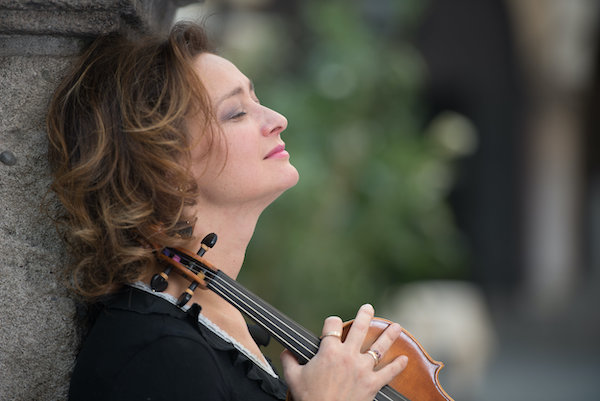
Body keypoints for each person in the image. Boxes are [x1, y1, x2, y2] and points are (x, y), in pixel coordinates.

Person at [46, 22, 408, 401]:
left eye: (256, 99)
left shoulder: (218, 326)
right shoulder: (158, 356)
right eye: (236, 112)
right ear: (162, 166)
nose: (277, 119)